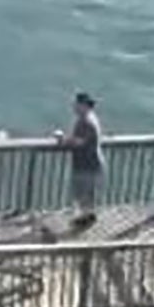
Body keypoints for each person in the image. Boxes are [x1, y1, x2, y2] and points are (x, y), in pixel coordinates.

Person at [55, 92, 105, 228]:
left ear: (83, 106)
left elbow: (80, 142)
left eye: (76, 104)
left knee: (83, 192)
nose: (74, 107)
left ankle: (86, 218)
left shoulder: (86, 122)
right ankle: (87, 216)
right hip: (87, 163)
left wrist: (62, 140)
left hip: (87, 164)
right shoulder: (87, 119)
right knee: (85, 193)